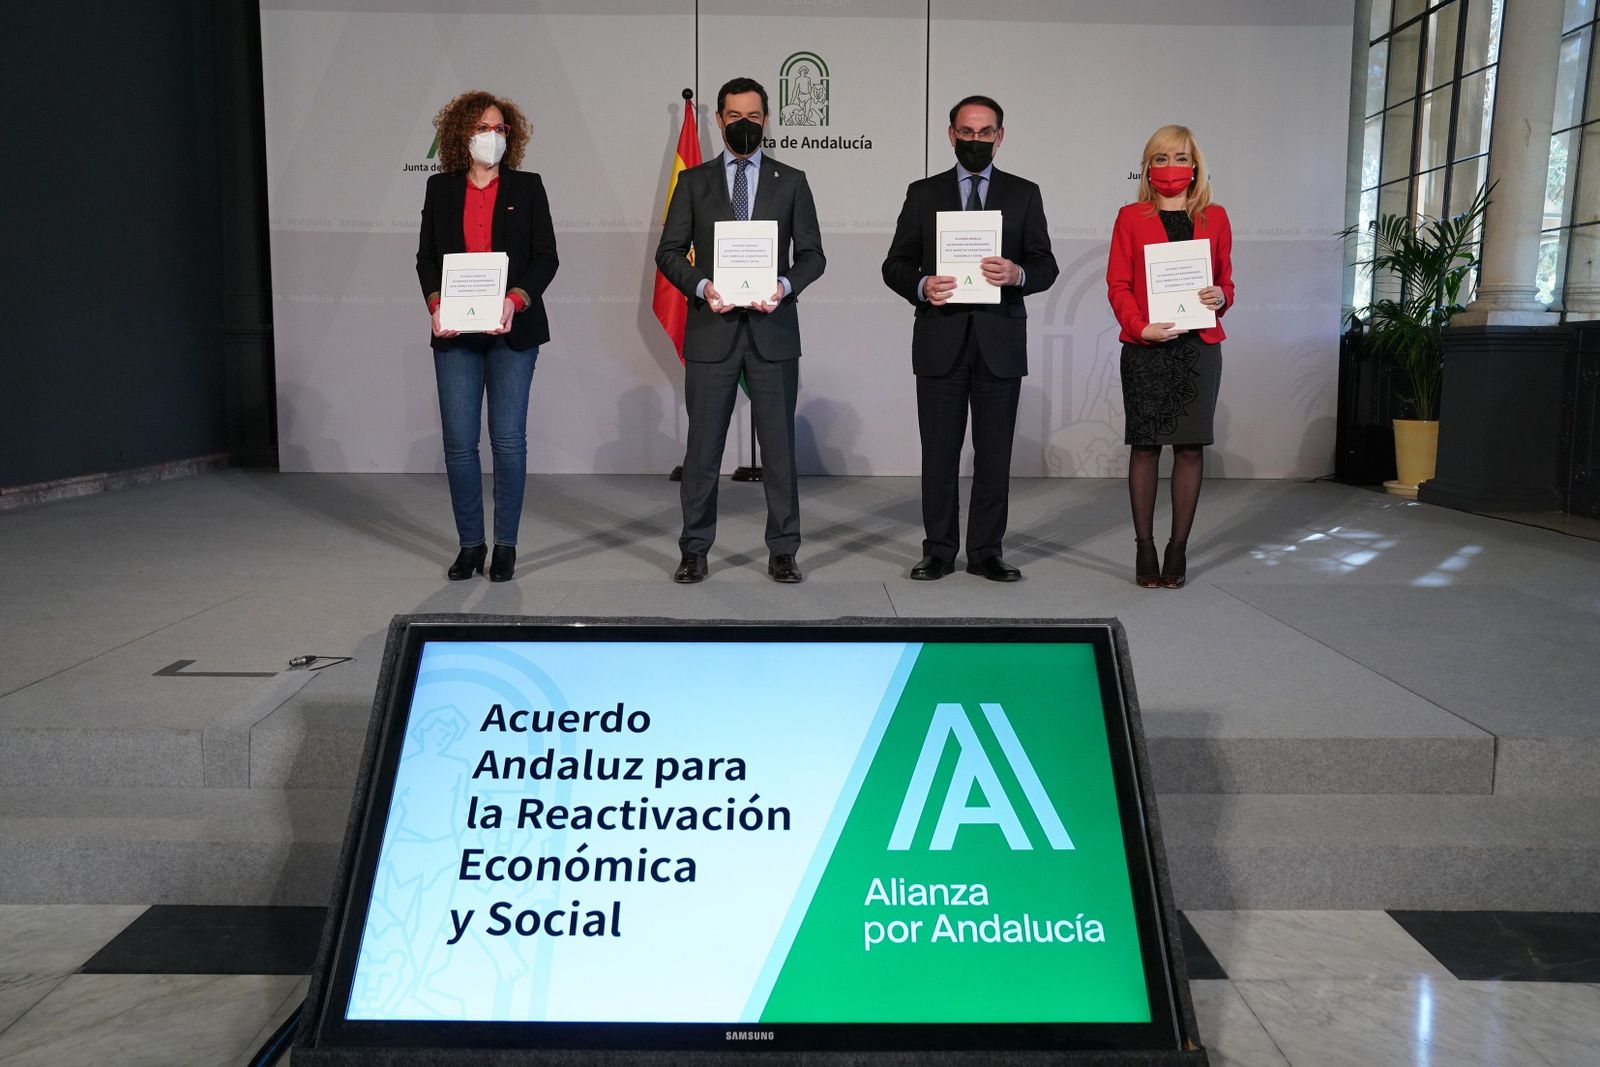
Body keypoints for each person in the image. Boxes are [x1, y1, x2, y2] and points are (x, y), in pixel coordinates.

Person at [655, 76, 826, 584]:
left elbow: (813, 256)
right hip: (712, 330)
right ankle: (694, 548)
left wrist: (784, 284)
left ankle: (783, 549)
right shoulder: (694, 182)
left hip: (773, 333)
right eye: (735, 117)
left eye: (754, 116)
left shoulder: (791, 180)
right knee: (703, 450)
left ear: (766, 120)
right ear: (720, 121)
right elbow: (668, 253)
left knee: (779, 450)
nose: (745, 125)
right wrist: (703, 285)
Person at [881, 95, 1058, 582]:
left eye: (985, 132)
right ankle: (937, 550)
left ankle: (985, 552)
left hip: (999, 345)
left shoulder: (1024, 194)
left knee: (995, 454)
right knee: (938, 453)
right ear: (950, 134)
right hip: (940, 341)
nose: (975, 140)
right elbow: (894, 264)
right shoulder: (923, 193)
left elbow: (1046, 265)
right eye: (967, 131)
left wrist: (1017, 272)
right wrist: (921, 285)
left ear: (1000, 136)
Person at [416, 90, 558, 583]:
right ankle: (470, 545)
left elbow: (546, 258)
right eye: (482, 129)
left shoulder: (528, 187)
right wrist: (436, 304)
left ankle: (505, 546)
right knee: (458, 443)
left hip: (511, 332)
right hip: (456, 333)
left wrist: (514, 299)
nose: (491, 137)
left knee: (508, 441)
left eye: (499, 129)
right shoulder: (441, 190)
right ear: (462, 135)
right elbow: (426, 258)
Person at [1106, 124, 1234, 589]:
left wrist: (1221, 296)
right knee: (1144, 446)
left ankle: (1177, 550)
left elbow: (1226, 282)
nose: (1170, 167)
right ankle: (1145, 548)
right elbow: (1118, 283)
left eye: (1179, 157)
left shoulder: (1215, 218)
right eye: (1160, 159)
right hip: (1147, 346)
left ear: (1195, 164)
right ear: (1147, 167)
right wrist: (1140, 326)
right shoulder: (1130, 217)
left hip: (1198, 347)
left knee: (1189, 448)